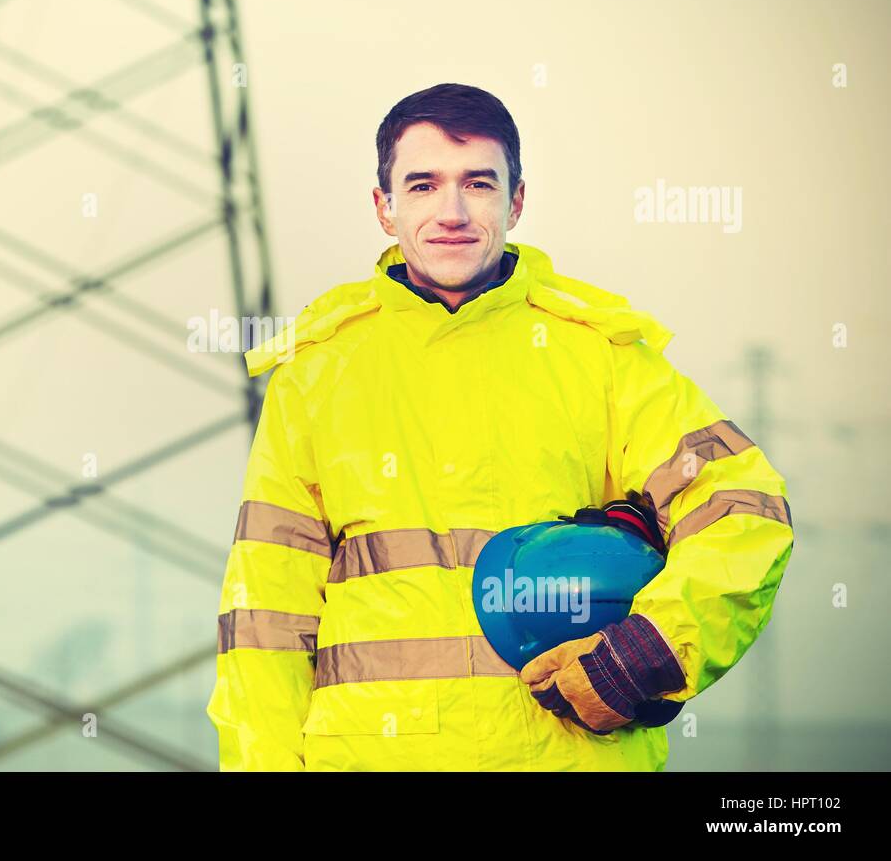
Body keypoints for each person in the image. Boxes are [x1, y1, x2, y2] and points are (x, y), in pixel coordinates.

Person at [205, 83, 794, 771]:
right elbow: (265, 620)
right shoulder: (314, 376)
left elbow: (743, 510)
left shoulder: (601, 356)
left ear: (516, 201)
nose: (451, 212)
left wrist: (652, 650)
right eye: (422, 185)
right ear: (383, 207)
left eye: (478, 184)